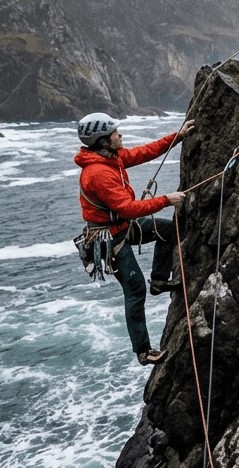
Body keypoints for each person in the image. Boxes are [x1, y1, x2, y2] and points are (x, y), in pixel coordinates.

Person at [75, 112, 195, 366]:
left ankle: (160, 281)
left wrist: (178, 136)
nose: (120, 135)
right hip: (110, 237)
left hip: (121, 227)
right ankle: (143, 351)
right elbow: (127, 208)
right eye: (115, 133)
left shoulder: (111, 158)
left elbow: (143, 152)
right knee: (135, 289)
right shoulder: (98, 173)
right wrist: (166, 200)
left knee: (170, 229)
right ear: (104, 141)